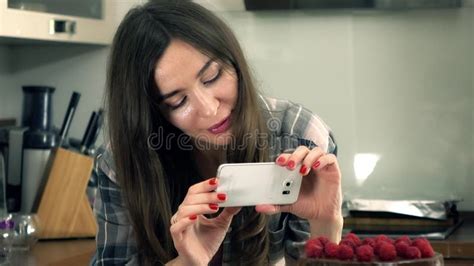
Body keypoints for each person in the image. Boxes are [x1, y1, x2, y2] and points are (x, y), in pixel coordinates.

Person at [91, 1, 343, 265]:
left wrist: (325, 222)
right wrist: (188, 261)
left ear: (234, 62)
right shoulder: (121, 161)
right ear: (154, 113)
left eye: (212, 76)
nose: (209, 108)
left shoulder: (298, 134)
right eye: (178, 101)